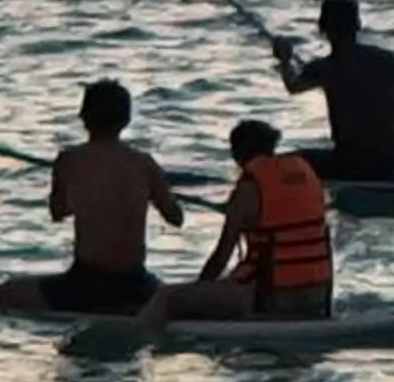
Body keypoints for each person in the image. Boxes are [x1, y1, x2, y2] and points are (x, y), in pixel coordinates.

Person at [0, 79, 183, 314]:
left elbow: (58, 212)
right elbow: (175, 218)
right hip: (135, 285)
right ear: (126, 120)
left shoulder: (69, 160)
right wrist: (151, 193)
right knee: (175, 298)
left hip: (84, 285)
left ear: (83, 117)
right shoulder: (145, 163)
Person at [138, 121, 334, 331]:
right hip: (317, 295)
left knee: (167, 297)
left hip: (270, 298)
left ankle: (136, 346)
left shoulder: (249, 189)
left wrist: (200, 291)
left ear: (237, 154)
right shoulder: (307, 175)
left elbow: (221, 256)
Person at [273, 0, 394, 184]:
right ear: (358, 25)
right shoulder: (387, 60)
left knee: (278, 165)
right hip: (393, 164)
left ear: (322, 28)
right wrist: (387, 116)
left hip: (350, 165)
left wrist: (285, 59)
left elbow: (293, 86)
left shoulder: (324, 68)